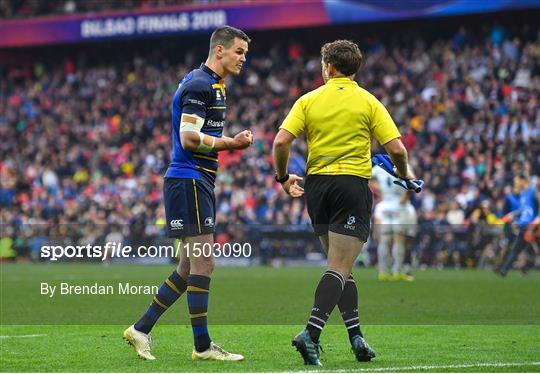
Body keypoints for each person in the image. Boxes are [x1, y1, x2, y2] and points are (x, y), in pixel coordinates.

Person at [272, 40, 413, 366]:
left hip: (317, 187)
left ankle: (356, 338)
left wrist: (283, 178)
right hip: (351, 185)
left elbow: (281, 141)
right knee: (339, 266)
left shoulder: (308, 100)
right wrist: (404, 176)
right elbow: (398, 151)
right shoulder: (368, 101)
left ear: (329, 68)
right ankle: (311, 333)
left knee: (341, 268)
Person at [123, 25, 253, 361]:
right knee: (204, 262)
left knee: (186, 268)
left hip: (197, 181)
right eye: (239, 52)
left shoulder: (212, 85)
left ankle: (140, 328)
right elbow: (188, 138)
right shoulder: (200, 84)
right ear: (219, 50)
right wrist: (232, 144)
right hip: (189, 179)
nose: (243, 59)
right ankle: (202, 346)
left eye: (245, 54)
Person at [371, 164, 417, 281]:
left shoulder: (379, 167)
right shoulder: (402, 166)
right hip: (400, 206)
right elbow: (413, 180)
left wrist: (380, 193)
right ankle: (397, 271)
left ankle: (383, 272)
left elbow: (367, 178)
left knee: (384, 240)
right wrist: (406, 196)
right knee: (399, 240)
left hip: (385, 205)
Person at [498, 174, 538, 277]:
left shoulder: (533, 192)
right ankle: (504, 269)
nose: (516, 184)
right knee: (517, 248)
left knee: (519, 249)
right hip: (524, 226)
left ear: (523, 180)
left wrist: (535, 223)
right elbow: (523, 210)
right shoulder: (522, 194)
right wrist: (515, 217)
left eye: (517, 181)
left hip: (535, 226)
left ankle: (507, 268)